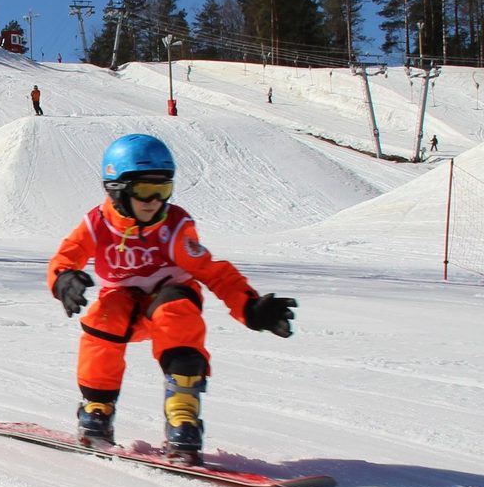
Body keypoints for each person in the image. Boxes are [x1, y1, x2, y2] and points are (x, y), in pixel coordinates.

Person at [47, 134, 297, 463]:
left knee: (176, 309)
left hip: (167, 301)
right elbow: (67, 255)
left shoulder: (174, 228)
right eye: (144, 191)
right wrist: (64, 278)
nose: (154, 201)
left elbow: (215, 272)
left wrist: (249, 306)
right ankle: (97, 407)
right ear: (117, 191)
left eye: (163, 190)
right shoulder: (98, 224)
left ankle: (183, 415)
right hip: (125, 305)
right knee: (104, 315)